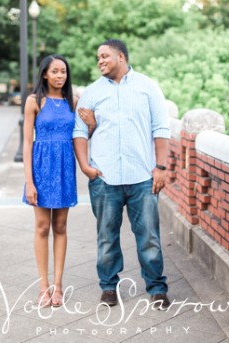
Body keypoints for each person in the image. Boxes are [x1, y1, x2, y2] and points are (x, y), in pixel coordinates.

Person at [73, 38, 171, 310]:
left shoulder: (147, 87)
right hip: (105, 179)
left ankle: (156, 288)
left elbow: (161, 129)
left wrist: (161, 167)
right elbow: (79, 132)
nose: (100, 61)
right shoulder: (92, 92)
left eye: (104, 56)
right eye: (98, 57)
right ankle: (108, 287)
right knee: (106, 237)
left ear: (121, 57)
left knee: (149, 236)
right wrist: (85, 167)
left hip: (142, 177)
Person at [22, 55, 92, 308]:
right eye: (55, 71)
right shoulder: (34, 102)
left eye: (63, 71)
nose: (60, 75)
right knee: (42, 226)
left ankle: (58, 286)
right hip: (41, 167)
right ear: (45, 74)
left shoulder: (73, 101)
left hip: (64, 167)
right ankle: (43, 287)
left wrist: (92, 126)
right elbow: (27, 143)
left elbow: (82, 135)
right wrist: (29, 182)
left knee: (60, 226)